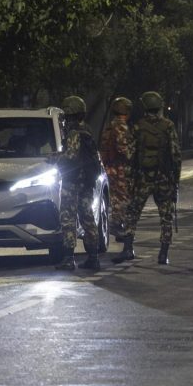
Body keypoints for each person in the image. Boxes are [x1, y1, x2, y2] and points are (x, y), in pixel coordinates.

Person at [118, 91, 181, 265]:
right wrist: (175, 180)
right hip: (163, 179)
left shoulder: (138, 127)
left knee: (132, 213)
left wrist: (130, 179)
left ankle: (128, 249)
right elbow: (176, 155)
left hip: (143, 178)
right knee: (166, 217)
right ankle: (163, 254)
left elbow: (130, 154)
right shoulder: (168, 126)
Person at [54, 95, 102, 271]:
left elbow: (71, 157)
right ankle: (93, 257)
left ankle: (68, 258)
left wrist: (54, 158)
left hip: (72, 183)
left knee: (68, 218)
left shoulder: (74, 133)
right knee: (88, 218)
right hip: (86, 183)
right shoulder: (87, 131)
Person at [99, 96, 134, 258]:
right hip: (118, 169)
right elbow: (124, 150)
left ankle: (116, 226)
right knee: (122, 199)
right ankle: (116, 225)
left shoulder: (109, 126)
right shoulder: (120, 127)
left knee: (114, 199)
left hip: (109, 167)